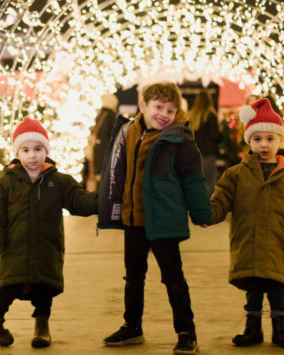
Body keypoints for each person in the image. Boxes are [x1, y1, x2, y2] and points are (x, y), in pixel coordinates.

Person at [98, 82, 211, 354]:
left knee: (173, 278)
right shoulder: (130, 131)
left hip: (164, 221)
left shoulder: (179, 139)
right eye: (158, 107)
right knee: (133, 277)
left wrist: (201, 212)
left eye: (170, 110)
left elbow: (193, 179)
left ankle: (186, 332)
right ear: (143, 106)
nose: (164, 114)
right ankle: (132, 326)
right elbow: (119, 174)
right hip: (134, 219)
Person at [0, 117, 98, 348]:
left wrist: (102, 199)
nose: (32, 155)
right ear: (17, 153)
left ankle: (42, 326)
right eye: (25, 150)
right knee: (9, 286)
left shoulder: (58, 181)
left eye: (37, 149)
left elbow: (79, 201)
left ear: (46, 150)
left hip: (47, 246)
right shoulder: (4, 184)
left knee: (45, 287)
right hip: (14, 247)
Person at [208, 98, 284, 348]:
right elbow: (221, 198)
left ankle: (281, 329)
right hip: (249, 242)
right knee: (254, 291)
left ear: (280, 141)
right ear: (249, 141)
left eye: (270, 139)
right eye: (257, 139)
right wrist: (208, 215)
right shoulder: (237, 174)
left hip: (279, 243)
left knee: (277, 291)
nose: (264, 145)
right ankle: (252, 328)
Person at [187, 90, 222, 196]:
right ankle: (208, 209)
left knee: (197, 182)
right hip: (209, 154)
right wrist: (222, 135)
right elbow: (215, 135)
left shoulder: (191, 115)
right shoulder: (210, 115)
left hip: (194, 154)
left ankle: (196, 207)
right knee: (210, 183)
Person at [85, 93, 119, 191]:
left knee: (95, 176)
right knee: (104, 179)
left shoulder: (100, 114)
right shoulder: (111, 116)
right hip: (105, 151)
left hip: (96, 149)